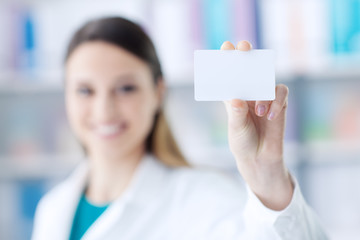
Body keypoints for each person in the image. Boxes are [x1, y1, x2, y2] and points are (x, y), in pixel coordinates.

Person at [32, 17, 327, 240]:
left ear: (158, 93)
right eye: (85, 90)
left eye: (126, 88)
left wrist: (268, 176)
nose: (104, 110)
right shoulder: (53, 209)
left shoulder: (207, 198)